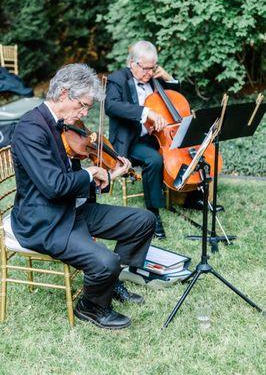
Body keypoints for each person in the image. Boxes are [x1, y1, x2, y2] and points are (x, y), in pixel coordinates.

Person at [11, 63, 156, 330]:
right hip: (45, 221)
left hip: (73, 210)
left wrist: (106, 178)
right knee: (105, 260)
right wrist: (90, 173)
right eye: (83, 105)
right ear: (63, 94)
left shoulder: (64, 126)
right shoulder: (30, 129)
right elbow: (54, 186)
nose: (85, 113)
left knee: (144, 221)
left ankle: (109, 282)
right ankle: (91, 307)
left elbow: (72, 182)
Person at [105, 40, 180, 239]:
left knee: (184, 148)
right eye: (146, 69)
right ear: (133, 64)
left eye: (152, 68)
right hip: (131, 140)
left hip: (156, 136)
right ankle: (153, 215)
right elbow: (111, 106)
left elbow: (176, 100)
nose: (149, 73)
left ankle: (190, 196)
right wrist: (146, 112)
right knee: (154, 160)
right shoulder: (117, 79)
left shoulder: (155, 78)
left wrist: (167, 77)